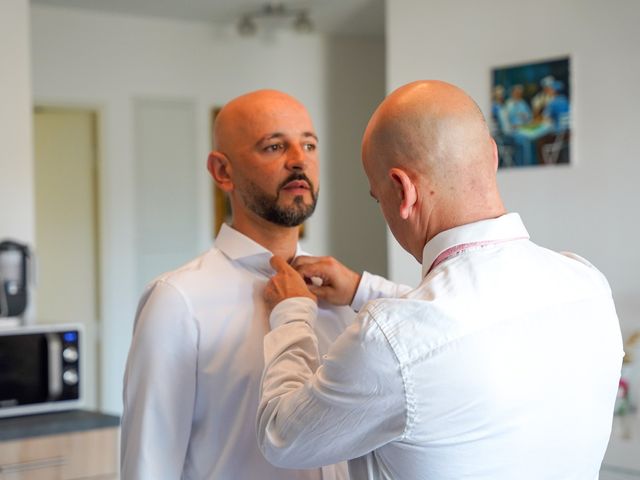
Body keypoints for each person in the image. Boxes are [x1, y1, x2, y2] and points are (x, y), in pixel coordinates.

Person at [256, 80, 624, 479]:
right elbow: (461, 325)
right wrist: (362, 289)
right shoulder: (586, 283)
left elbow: (282, 436)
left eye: (378, 199)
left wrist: (292, 313)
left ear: (402, 191)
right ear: (493, 156)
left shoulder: (388, 342)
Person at [120, 89, 407, 479]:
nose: (298, 160)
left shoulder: (343, 294)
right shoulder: (177, 301)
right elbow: (149, 465)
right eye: (274, 147)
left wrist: (360, 290)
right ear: (223, 172)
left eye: (309, 144)